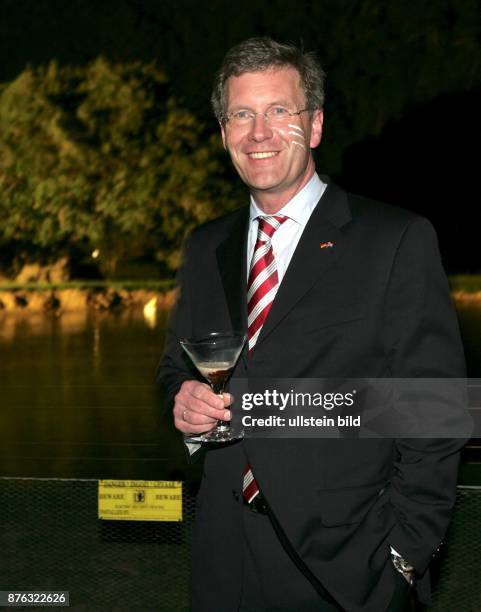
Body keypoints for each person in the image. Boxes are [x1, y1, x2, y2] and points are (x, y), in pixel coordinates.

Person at [157, 37, 468, 612]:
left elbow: (437, 406)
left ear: (316, 125)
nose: (259, 131)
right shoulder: (206, 248)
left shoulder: (394, 240)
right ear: (224, 132)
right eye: (241, 114)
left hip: (350, 565)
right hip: (223, 559)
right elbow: (177, 366)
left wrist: (405, 554)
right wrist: (183, 400)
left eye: (280, 111)